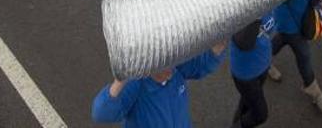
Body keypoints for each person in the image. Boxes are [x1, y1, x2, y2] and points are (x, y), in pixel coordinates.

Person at [91, 42, 227, 127]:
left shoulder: (176, 69)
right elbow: (101, 113)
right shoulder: (135, 84)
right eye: (164, 64)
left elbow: (202, 65)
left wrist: (221, 42)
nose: (170, 68)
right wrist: (121, 78)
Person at [268, 0, 322, 115]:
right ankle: (312, 88)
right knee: (303, 54)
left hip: (300, 15)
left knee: (281, 41)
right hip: (290, 20)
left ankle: (264, 62)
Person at [231, 14, 275, 128]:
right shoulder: (243, 6)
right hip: (246, 74)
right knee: (260, 114)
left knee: (246, 105)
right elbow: (244, 43)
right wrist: (256, 12)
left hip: (263, 64)